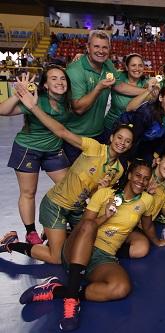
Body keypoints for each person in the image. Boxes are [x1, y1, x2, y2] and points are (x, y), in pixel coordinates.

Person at [17, 160, 165, 332]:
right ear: (129, 175)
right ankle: (71, 303)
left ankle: (58, 290)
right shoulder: (104, 193)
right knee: (90, 224)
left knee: (121, 288)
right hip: (78, 247)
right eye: (138, 175)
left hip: (104, 256)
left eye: (145, 178)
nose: (141, 181)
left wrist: (157, 241)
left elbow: (148, 225)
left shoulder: (147, 201)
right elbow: (84, 225)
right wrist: (105, 216)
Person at [0, 82, 134, 264]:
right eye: (119, 138)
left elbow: (94, 195)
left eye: (127, 141)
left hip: (77, 209)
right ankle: (12, 243)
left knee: (88, 243)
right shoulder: (94, 147)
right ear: (111, 137)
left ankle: (54, 233)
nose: (122, 143)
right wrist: (33, 107)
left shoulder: (118, 169)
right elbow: (61, 131)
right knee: (57, 258)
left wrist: (100, 191)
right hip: (55, 206)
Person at [0, 68, 71, 245]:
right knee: (28, 192)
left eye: (63, 78)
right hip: (27, 149)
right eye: (54, 79)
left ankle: (51, 226)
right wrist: (19, 93)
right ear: (45, 84)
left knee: (70, 190)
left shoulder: (67, 102)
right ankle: (31, 232)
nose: (60, 82)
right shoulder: (37, 99)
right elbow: (3, 110)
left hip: (53, 150)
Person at [65, 30, 146, 163]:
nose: (101, 51)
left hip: (99, 133)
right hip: (76, 136)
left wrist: (147, 92)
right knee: (76, 181)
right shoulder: (75, 71)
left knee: (97, 178)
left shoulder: (107, 64)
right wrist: (98, 88)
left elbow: (119, 86)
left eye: (105, 47)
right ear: (88, 47)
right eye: (96, 46)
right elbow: (78, 108)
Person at [123, 84, 165, 162]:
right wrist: (131, 162)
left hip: (150, 143)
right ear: (161, 98)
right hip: (132, 140)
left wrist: (156, 155)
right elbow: (134, 139)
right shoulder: (146, 113)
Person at [103, 53, 154, 138]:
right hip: (110, 127)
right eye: (133, 65)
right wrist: (83, 56)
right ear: (126, 67)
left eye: (140, 65)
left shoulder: (147, 83)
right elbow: (101, 66)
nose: (137, 68)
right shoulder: (117, 76)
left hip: (132, 131)